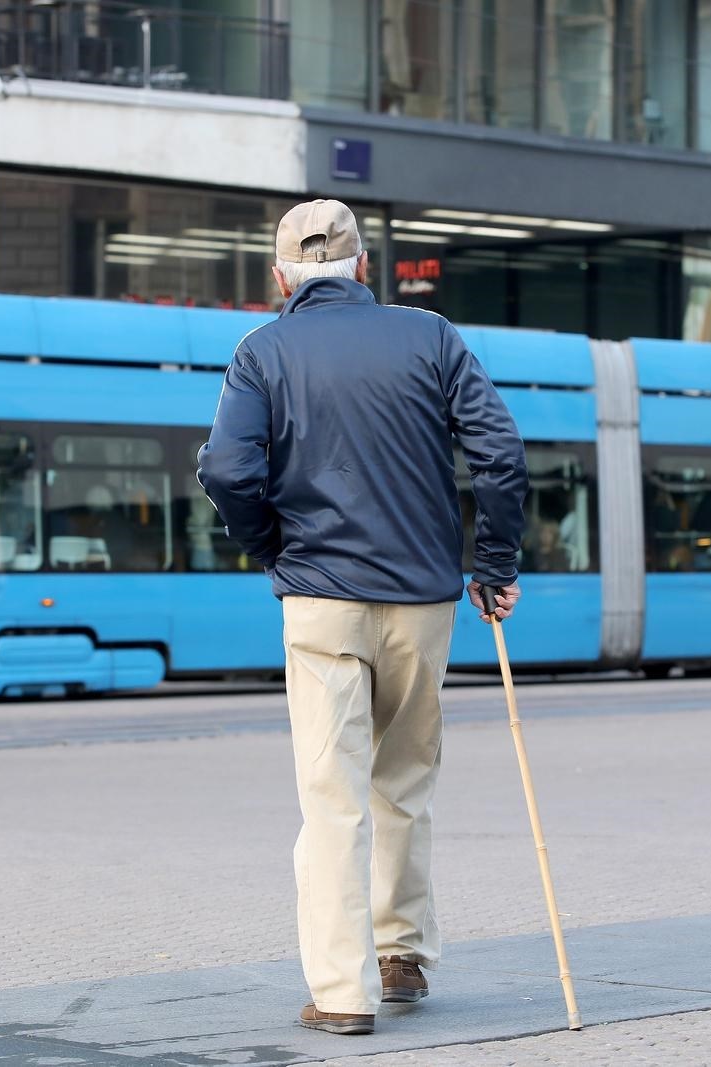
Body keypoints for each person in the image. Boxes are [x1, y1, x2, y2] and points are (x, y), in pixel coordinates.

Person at [197, 199, 527, 1037]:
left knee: (331, 796)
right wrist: (493, 566)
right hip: (423, 600)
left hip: (321, 602)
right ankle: (403, 954)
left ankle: (344, 992)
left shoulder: (261, 351)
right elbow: (499, 454)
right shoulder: (432, 336)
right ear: (365, 269)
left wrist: (272, 546)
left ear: (280, 276)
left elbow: (229, 469)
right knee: (405, 783)